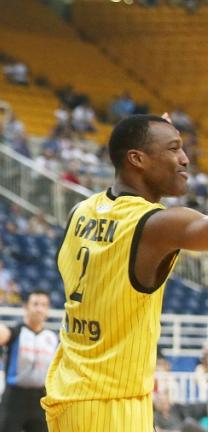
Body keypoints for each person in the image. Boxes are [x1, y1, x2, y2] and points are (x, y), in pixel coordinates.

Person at [41, 114, 208, 431]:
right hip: (111, 403)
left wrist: (157, 136)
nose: (185, 159)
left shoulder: (80, 211)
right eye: (174, 148)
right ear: (137, 159)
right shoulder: (155, 224)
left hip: (72, 393)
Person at [0, 290, 57, 432]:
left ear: (48, 310)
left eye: (44, 305)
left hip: (41, 397)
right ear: (26, 307)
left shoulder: (52, 338)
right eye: (35, 304)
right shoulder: (17, 332)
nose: (39, 309)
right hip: (14, 397)